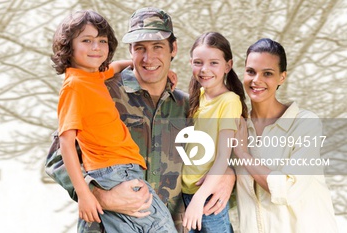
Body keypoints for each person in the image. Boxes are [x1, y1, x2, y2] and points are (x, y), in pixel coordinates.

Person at [47, 7, 237, 232]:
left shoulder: (189, 108)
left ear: (173, 49)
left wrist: (230, 175)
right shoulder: (100, 91)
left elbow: (220, 155)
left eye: (158, 47)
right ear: (130, 51)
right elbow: (56, 157)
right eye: (140, 48)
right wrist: (97, 194)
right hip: (107, 225)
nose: (148, 58)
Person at [52, 10, 175, 232]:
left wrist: (142, 66)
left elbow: (114, 66)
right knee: (160, 227)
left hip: (125, 173)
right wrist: (89, 194)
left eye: (102, 41)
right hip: (115, 173)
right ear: (68, 47)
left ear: (173, 50)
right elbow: (62, 148)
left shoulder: (94, 77)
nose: (96, 47)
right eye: (87, 41)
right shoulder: (78, 87)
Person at [232, 38, 337, 232]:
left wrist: (243, 154)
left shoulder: (305, 124)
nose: (257, 80)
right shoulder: (238, 127)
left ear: (282, 77)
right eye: (251, 71)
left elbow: (286, 189)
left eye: (268, 73)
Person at [181, 32, 247, 232]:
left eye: (214, 63)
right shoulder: (197, 96)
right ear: (191, 62)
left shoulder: (229, 101)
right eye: (198, 62)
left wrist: (199, 199)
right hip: (187, 191)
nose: (204, 70)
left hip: (208, 195)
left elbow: (222, 157)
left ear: (228, 65)